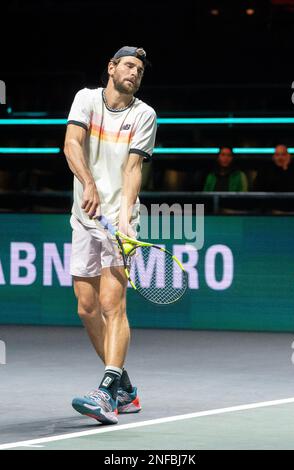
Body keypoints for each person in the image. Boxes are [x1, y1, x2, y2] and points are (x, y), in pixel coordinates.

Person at [64, 46, 157, 425]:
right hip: (84, 215)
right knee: (86, 308)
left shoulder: (144, 114)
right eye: (129, 65)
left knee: (111, 305)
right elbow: (72, 143)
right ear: (111, 67)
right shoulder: (86, 100)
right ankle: (127, 389)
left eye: (140, 69)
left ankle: (106, 392)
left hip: (118, 221)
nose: (135, 72)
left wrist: (125, 218)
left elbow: (133, 168)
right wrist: (88, 183)